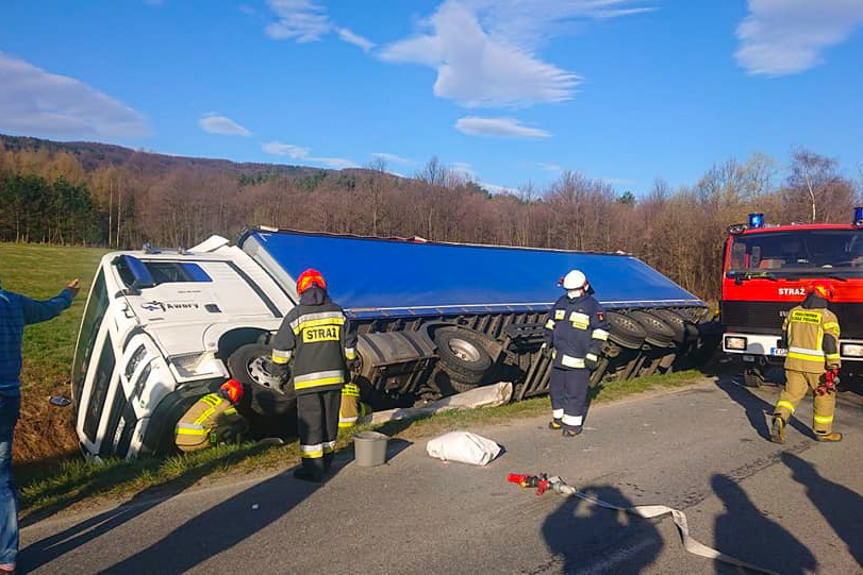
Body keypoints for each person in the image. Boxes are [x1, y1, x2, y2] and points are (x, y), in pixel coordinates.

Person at [1, 278, 79, 574]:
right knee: (2, 480)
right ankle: (6, 558)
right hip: (7, 400)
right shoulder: (14, 303)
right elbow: (49, 309)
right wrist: (67, 294)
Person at [271, 269, 357, 482]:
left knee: (311, 423)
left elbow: (281, 349)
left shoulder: (296, 315)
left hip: (307, 381)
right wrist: (348, 366)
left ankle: (313, 469)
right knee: (329, 420)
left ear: (301, 289)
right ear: (323, 287)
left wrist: (279, 374)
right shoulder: (337, 312)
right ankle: (327, 460)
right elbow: (350, 347)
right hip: (335, 378)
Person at [771, 281, 843, 443]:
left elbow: (783, 339)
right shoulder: (827, 316)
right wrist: (833, 364)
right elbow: (829, 342)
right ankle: (823, 432)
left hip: (793, 363)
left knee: (790, 395)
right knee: (824, 396)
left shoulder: (793, 312)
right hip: (817, 366)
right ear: (825, 295)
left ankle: (780, 417)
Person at [543, 270, 609, 437]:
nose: (571, 293)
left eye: (574, 290)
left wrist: (593, 353)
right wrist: (547, 342)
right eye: (568, 290)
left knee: (575, 393)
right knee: (556, 390)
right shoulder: (561, 302)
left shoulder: (593, 307)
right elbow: (551, 323)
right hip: (559, 357)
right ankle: (558, 419)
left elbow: (601, 331)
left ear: (584, 287)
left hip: (579, 360)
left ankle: (573, 425)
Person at [175, 380, 248, 452]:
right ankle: (221, 446)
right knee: (236, 426)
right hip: (196, 443)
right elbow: (239, 420)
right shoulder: (226, 407)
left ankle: (213, 443)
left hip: (179, 441)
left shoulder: (209, 396)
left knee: (211, 424)